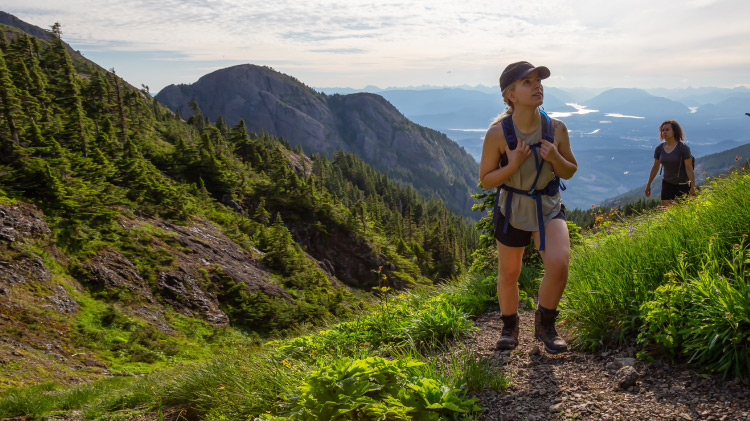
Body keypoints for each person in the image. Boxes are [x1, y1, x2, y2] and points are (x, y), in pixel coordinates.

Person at [479, 61, 578, 353]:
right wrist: (513, 164)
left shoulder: (556, 129)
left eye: (538, 81)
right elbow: (486, 180)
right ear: (510, 95)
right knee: (509, 273)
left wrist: (556, 160)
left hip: (547, 205)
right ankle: (509, 327)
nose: (537, 86)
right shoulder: (498, 134)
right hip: (512, 209)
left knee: (559, 264)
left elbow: (570, 169)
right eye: (528, 82)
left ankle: (546, 325)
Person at [645, 120, 696, 206]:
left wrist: (692, 186)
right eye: (662, 130)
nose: (664, 132)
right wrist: (648, 184)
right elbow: (655, 167)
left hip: (682, 184)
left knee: (681, 213)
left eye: (667, 130)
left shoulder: (683, 148)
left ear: (674, 131)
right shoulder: (659, 149)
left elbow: (689, 168)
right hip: (667, 183)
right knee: (666, 212)